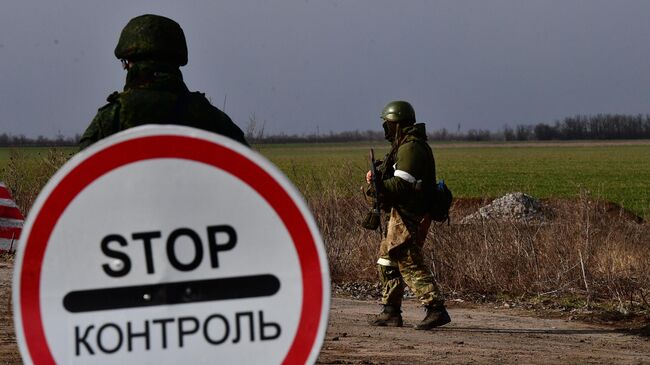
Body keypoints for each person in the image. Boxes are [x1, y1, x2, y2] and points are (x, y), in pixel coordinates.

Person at [79, 14, 248, 149]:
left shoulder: (111, 119)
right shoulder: (211, 118)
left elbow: (81, 183)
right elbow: (246, 177)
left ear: (128, 63)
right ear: (176, 60)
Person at [366, 100, 450, 330]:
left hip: (411, 213)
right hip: (401, 212)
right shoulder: (402, 146)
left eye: (388, 123)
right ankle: (390, 311)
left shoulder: (411, 148)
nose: (386, 128)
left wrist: (379, 186)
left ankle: (436, 309)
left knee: (407, 260)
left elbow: (402, 184)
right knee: (386, 259)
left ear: (398, 124)